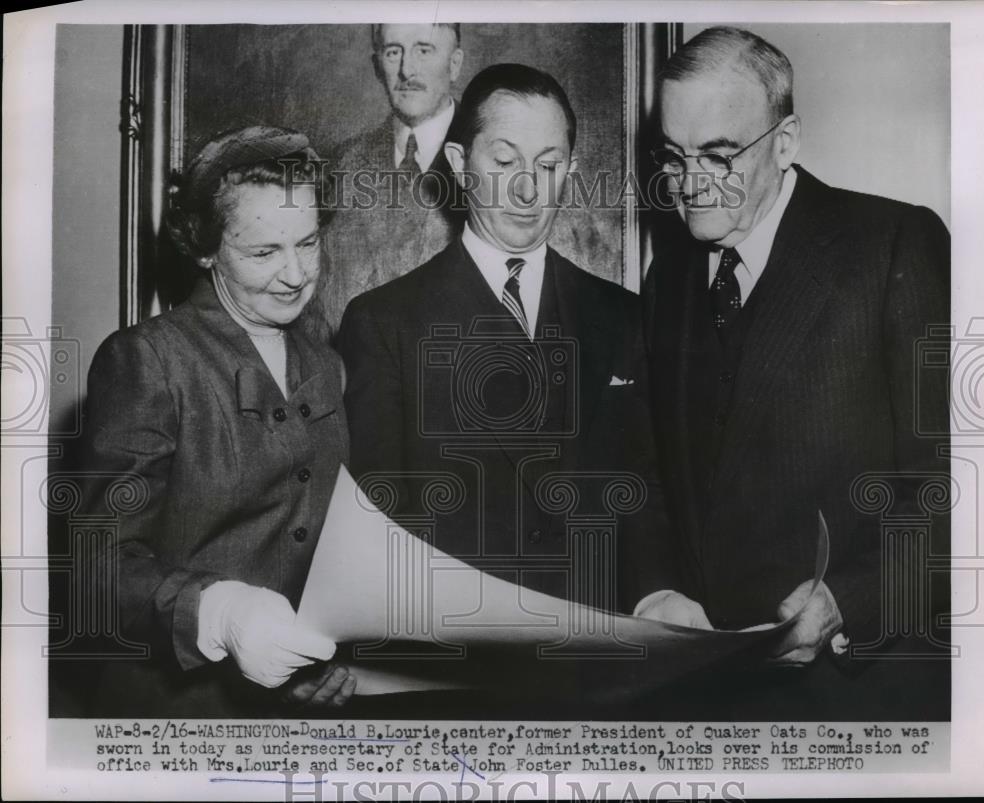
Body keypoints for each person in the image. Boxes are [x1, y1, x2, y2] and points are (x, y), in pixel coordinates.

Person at [642, 27, 950, 717]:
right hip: (708, 692)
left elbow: (959, 497)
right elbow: (656, 476)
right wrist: (657, 593)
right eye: (674, 155)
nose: (690, 183)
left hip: (861, 692)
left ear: (785, 143)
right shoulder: (669, 282)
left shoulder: (895, 245)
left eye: (719, 156)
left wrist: (848, 602)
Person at [338, 63, 672, 633]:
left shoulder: (623, 316)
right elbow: (380, 520)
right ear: (461, 165)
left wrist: (658, 595)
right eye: (504, 161)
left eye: (547, 166)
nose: (527, 188)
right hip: (459, 654)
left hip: (599, 654)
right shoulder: (384, 322)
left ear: (570, 170)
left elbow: (641, 487)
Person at [77, 126, 356, 716]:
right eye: (263, 252)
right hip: (178, 710)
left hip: (292, 713)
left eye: (307, 243)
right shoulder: (148, 358)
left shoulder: (326, 364)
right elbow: (95, 570)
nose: (296, 274)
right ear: (205, 248)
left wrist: (317, 661)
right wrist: (221, 614)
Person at [304, 23, 465, 342]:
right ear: (377, 66)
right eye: (394, 52)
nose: (407, 70)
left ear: (455, 63)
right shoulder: (340, 166)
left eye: (424, 49)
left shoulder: (495, 162)